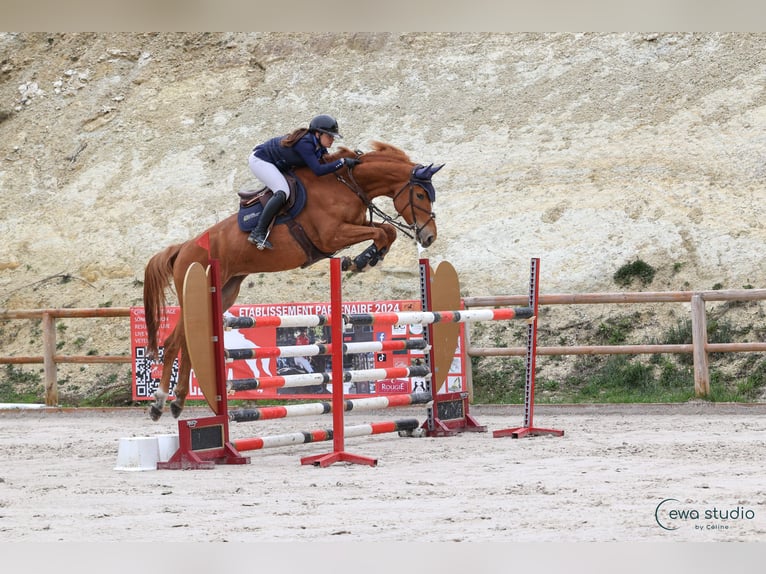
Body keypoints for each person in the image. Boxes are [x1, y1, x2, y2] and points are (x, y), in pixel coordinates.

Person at [246, 114, 361, 249]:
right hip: (260, 160)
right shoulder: (305, 144)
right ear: (318, 134)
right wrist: (342, 162)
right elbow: (318, 170)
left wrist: (351, 157)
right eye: (329, 136)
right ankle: (258, 232)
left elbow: (327, 160)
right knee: (283, 191)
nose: (332, 140)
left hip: (278, 163)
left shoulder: (318, 145)